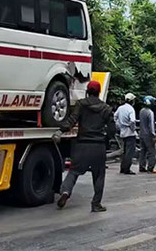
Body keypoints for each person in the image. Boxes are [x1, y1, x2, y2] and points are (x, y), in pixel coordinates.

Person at [54, 80, 115, 212]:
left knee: (74, 171)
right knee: (98, 175)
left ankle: (65, 192)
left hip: (82, 144)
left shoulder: (81, 104)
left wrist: (60, 131)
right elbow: (112, 130)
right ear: (99, 92)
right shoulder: (106, 108)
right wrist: (105, 140)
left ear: (87, 91)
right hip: (98, 146)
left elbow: (71, 120)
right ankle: (96, 204)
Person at [114, 93, 137, 175]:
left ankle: (122, 168)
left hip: (122, 132)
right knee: (129, 152)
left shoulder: (120, 108)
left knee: (124, 151)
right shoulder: (131, 109)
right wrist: (133, 128)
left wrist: (118, 126)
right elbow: (132, 121)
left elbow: (114, 117)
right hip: (130, 133)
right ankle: (127, 168)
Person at [138, 96, 156, 174]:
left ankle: (141, 166)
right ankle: (150, 167)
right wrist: (153, 135)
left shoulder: (141, 111)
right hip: (148, 135)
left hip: (142, 133)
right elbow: (151, 125)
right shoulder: (150, 112)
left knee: (143, 151)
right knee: (152, 152)